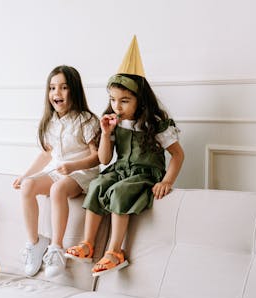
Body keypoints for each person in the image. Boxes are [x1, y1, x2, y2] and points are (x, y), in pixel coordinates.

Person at [65, 36, 185, 276]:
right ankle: (88, 245)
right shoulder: (112, 121)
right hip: (119, 170)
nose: (116, 106)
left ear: (140, 101)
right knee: (98, 184)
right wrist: (107, 133)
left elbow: (178, 155)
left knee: (119, 192)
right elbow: (104, 159)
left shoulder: (155, 123)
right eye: (112, 100)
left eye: (124, 101)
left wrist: (167, 181)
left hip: (145, 174)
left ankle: (115, 252)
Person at [13, 65, 101, 278]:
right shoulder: (49, 121)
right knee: (28, 186)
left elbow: (97, 156)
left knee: (58, 189)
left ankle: (56, 247)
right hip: (57, 170)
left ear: (74, 90)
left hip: (81, 173)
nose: (56, 93)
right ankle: (35, 243)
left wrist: (73, 166)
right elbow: (46, 154)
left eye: (63, 87)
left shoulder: (87, 120)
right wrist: (26, 175)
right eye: (52, 88)